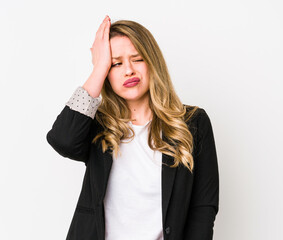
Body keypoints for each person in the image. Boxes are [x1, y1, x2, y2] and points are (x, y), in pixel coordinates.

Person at [46, 15, 219, 240]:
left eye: (137, 59)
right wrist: (99, 68)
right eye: (116, 63)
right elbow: (63, 140)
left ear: (152, 62)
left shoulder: (192, 122)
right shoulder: (98, 125)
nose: (128, 70)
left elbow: (203, 208)